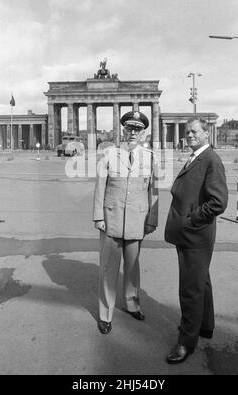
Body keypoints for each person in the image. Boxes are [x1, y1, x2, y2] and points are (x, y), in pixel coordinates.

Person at [164, 117, 228, 364]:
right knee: (202, 281)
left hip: (195, 234)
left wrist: (191, 219)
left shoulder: (210, 159)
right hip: (192, 233)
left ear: (206, 134)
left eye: (194, 131)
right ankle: (205, 326)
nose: (189, 135)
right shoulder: (197, 156)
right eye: (187, 131)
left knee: (190, 289)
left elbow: (218, 202)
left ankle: (185, 343)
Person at [93, 111, 158, 334]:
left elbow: (154, 192)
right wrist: (98, 216)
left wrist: (152, 220)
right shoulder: (110, 155)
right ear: (123, 130)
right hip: (111, 219)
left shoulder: (150, 157)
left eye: (137, 129)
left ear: (143, 132)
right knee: (109, 269)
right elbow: (100, 187)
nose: (133, 133)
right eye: (129, 128)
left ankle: (132, 304)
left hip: (137, 220)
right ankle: (105, 314)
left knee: (132, 268)